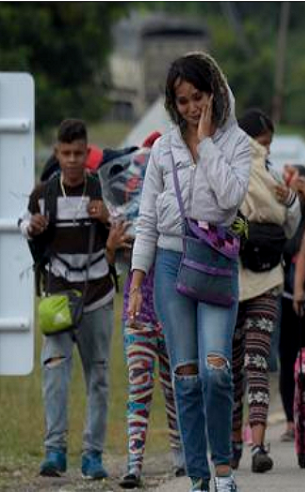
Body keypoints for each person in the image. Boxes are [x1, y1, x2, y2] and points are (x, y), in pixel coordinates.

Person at [129, 52, 253, 492]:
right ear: (172, 103)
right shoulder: (161, 148)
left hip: (217, 264)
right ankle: (199, 477)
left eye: (198, 97)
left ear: (214, 93)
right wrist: (138, 282)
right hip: (168, 264)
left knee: (216, 369)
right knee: (185, 374)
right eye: (182, 101)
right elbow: (146, 219)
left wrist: (206, 143)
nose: (191, 108)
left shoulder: (237, 143)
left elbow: (231, 199)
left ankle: (224, 469)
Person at [21, 119, 115, 480]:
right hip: (58, 296)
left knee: (99, 376)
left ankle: (92, 455)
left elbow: (126, 228)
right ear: (57, 153)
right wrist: (33, 230)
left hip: (98, 295)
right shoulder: (43, 194)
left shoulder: (101, 188)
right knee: (55, 373)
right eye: (66, 153)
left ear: (87, 152)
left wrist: (107, 217)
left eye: (79, 153)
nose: (73, 160)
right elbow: (26, 230)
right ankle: (54, 451)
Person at [100, 138, 185, 489]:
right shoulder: (127, 212)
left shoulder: (180, 204)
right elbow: (114, 267)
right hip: (138, 312)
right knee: (140, 388)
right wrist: (113, 245)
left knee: (176, 388)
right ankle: (134, 464)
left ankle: (184, 459)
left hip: (173, 312)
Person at [229, 109, 301, 472]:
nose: (265, 150)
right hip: (267, 279)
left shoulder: (225, 170)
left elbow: (222, 220)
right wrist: (287, 202)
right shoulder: (273, 174)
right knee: (257, 364)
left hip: (232, 280)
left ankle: (234, 448)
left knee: (234, 368)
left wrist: (244, 230)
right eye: (263, 143)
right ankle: (255, 445)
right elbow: (290, 226)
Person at [278, 164, 305, 443]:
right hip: (284, 295)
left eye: (302, 182)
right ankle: (291, 421)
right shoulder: (282, 214)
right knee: (288, 358)